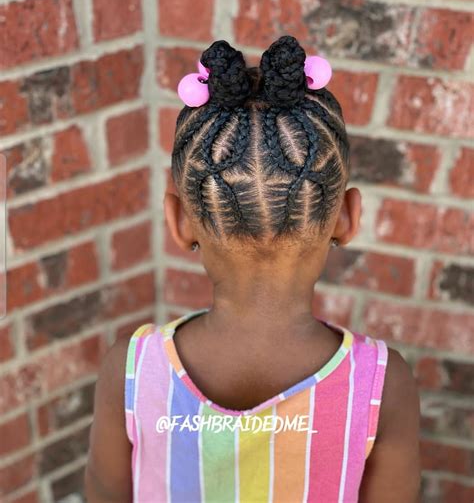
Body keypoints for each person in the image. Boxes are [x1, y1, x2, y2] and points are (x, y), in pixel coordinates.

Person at [85, 36, 421, 502]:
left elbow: (104, 495)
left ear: (179, 222)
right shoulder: (382, 384)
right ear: (347, 217)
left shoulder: (131, 371)